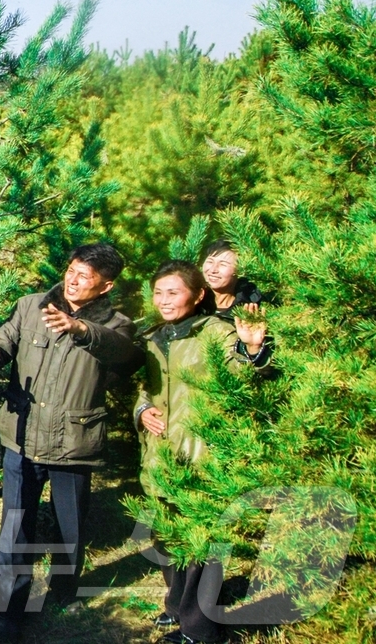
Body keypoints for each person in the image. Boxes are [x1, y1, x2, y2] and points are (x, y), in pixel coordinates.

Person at [0, 243, 145, 640]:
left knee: (70, 527)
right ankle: (10, 604)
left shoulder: (116, 324)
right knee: (16, 524)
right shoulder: (31, 306)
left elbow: (126, 357)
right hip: (22, 437)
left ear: (106, 285)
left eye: (84, 275)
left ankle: (64, 590)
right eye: (71, 269)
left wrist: (82, 330)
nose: (72, 279)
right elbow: (0, 342)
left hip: (74, 442)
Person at [136, 260, 269, 644]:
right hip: (161, 454)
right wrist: (143, 411)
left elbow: (243, 381)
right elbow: (147, 390)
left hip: (201, 457)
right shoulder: (156, 336)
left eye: (173, 292)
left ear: (197, 295)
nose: (164, 299)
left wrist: (252, 349)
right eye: (158, 292)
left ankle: (200, 631)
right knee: (166, 536)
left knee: (202, 546)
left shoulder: (216, 333)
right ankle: (177, 607)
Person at [199, 240, 263, 322]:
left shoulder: (250, 309)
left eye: (223, 264)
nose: (213, 270)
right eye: (210, 262)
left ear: (240, 271)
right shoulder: (190, 303)